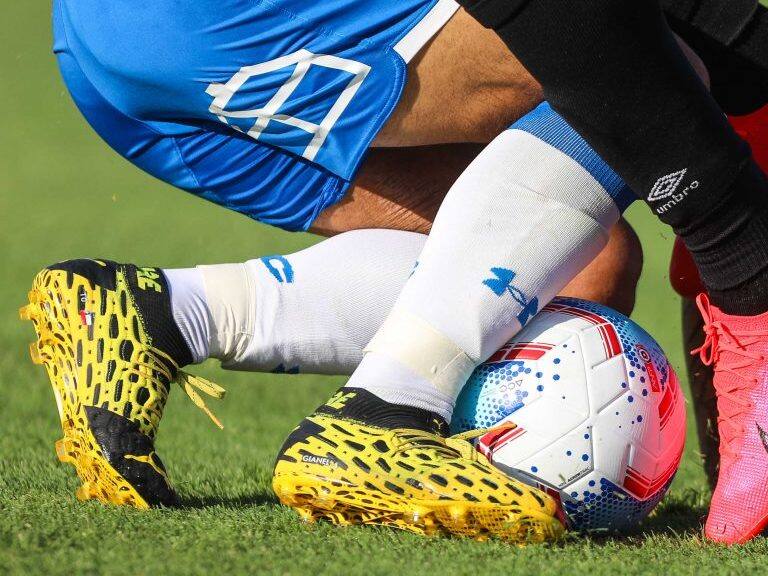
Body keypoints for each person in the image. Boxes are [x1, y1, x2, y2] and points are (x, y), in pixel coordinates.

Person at [21, 0, 768, 543]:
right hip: (210, 18)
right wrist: (740, 257)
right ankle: (385, 412)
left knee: (577, 271)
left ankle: (167, 312)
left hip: (109, 50)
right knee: (636, 75)